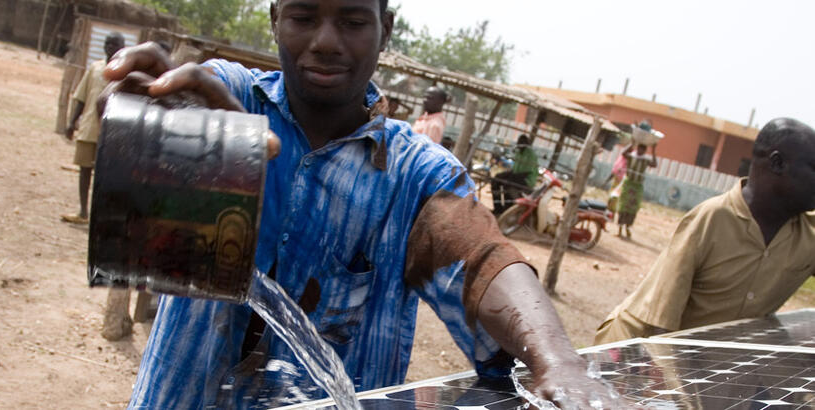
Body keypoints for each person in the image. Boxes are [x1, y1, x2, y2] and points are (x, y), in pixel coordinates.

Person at [102, 1, 622, 408]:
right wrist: (146, 118)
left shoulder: (416, 174)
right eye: (303, 16)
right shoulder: (232, 102)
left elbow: (482, 257)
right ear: (275, 18)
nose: (326, 42)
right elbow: (178, 111)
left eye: (352, 21)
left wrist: (558, 362)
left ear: (385, 30)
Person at [595, 118, 815, 345]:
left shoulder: (808, 234)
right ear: (777, 164)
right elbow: (661, 326)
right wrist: (675, 379)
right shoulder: (711, 219)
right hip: (635, 348)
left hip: (703, 360)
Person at [61, 32, 125, 224]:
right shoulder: (95, 68)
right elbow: (81, 96)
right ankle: (82, 212)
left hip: (112, 132)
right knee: (84, 170)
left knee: (106, 176)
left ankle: (102, 215)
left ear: (123, 47)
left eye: (115, 44)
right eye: (107, 43)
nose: (110, 47)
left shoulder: (126, 72)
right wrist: (72, 122)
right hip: (89, 127)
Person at [616, 142, 657, 238]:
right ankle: (620, 229)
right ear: (637, 148)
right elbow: (623, 153)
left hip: (637, 186)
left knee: (633, 208)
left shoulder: (645, 160)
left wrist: (654, 150)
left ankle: (627, 228)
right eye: (639, 149)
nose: (640, 151)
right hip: (628, 184)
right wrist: (632, 143)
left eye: (642, 150)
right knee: (623, 206)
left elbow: (654, 164)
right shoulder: (631, 157)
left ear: (644, 151)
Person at [491, 134, 539, 215]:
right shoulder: (519, 151)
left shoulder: (530, 154)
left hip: (526, 179)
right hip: (516, 175)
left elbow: (525, 173)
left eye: (522, 143)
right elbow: (514, 170)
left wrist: (508, 177)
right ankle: (498, 208)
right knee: (496, 179)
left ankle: (506, 209)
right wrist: (504, 176)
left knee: (507, 183)